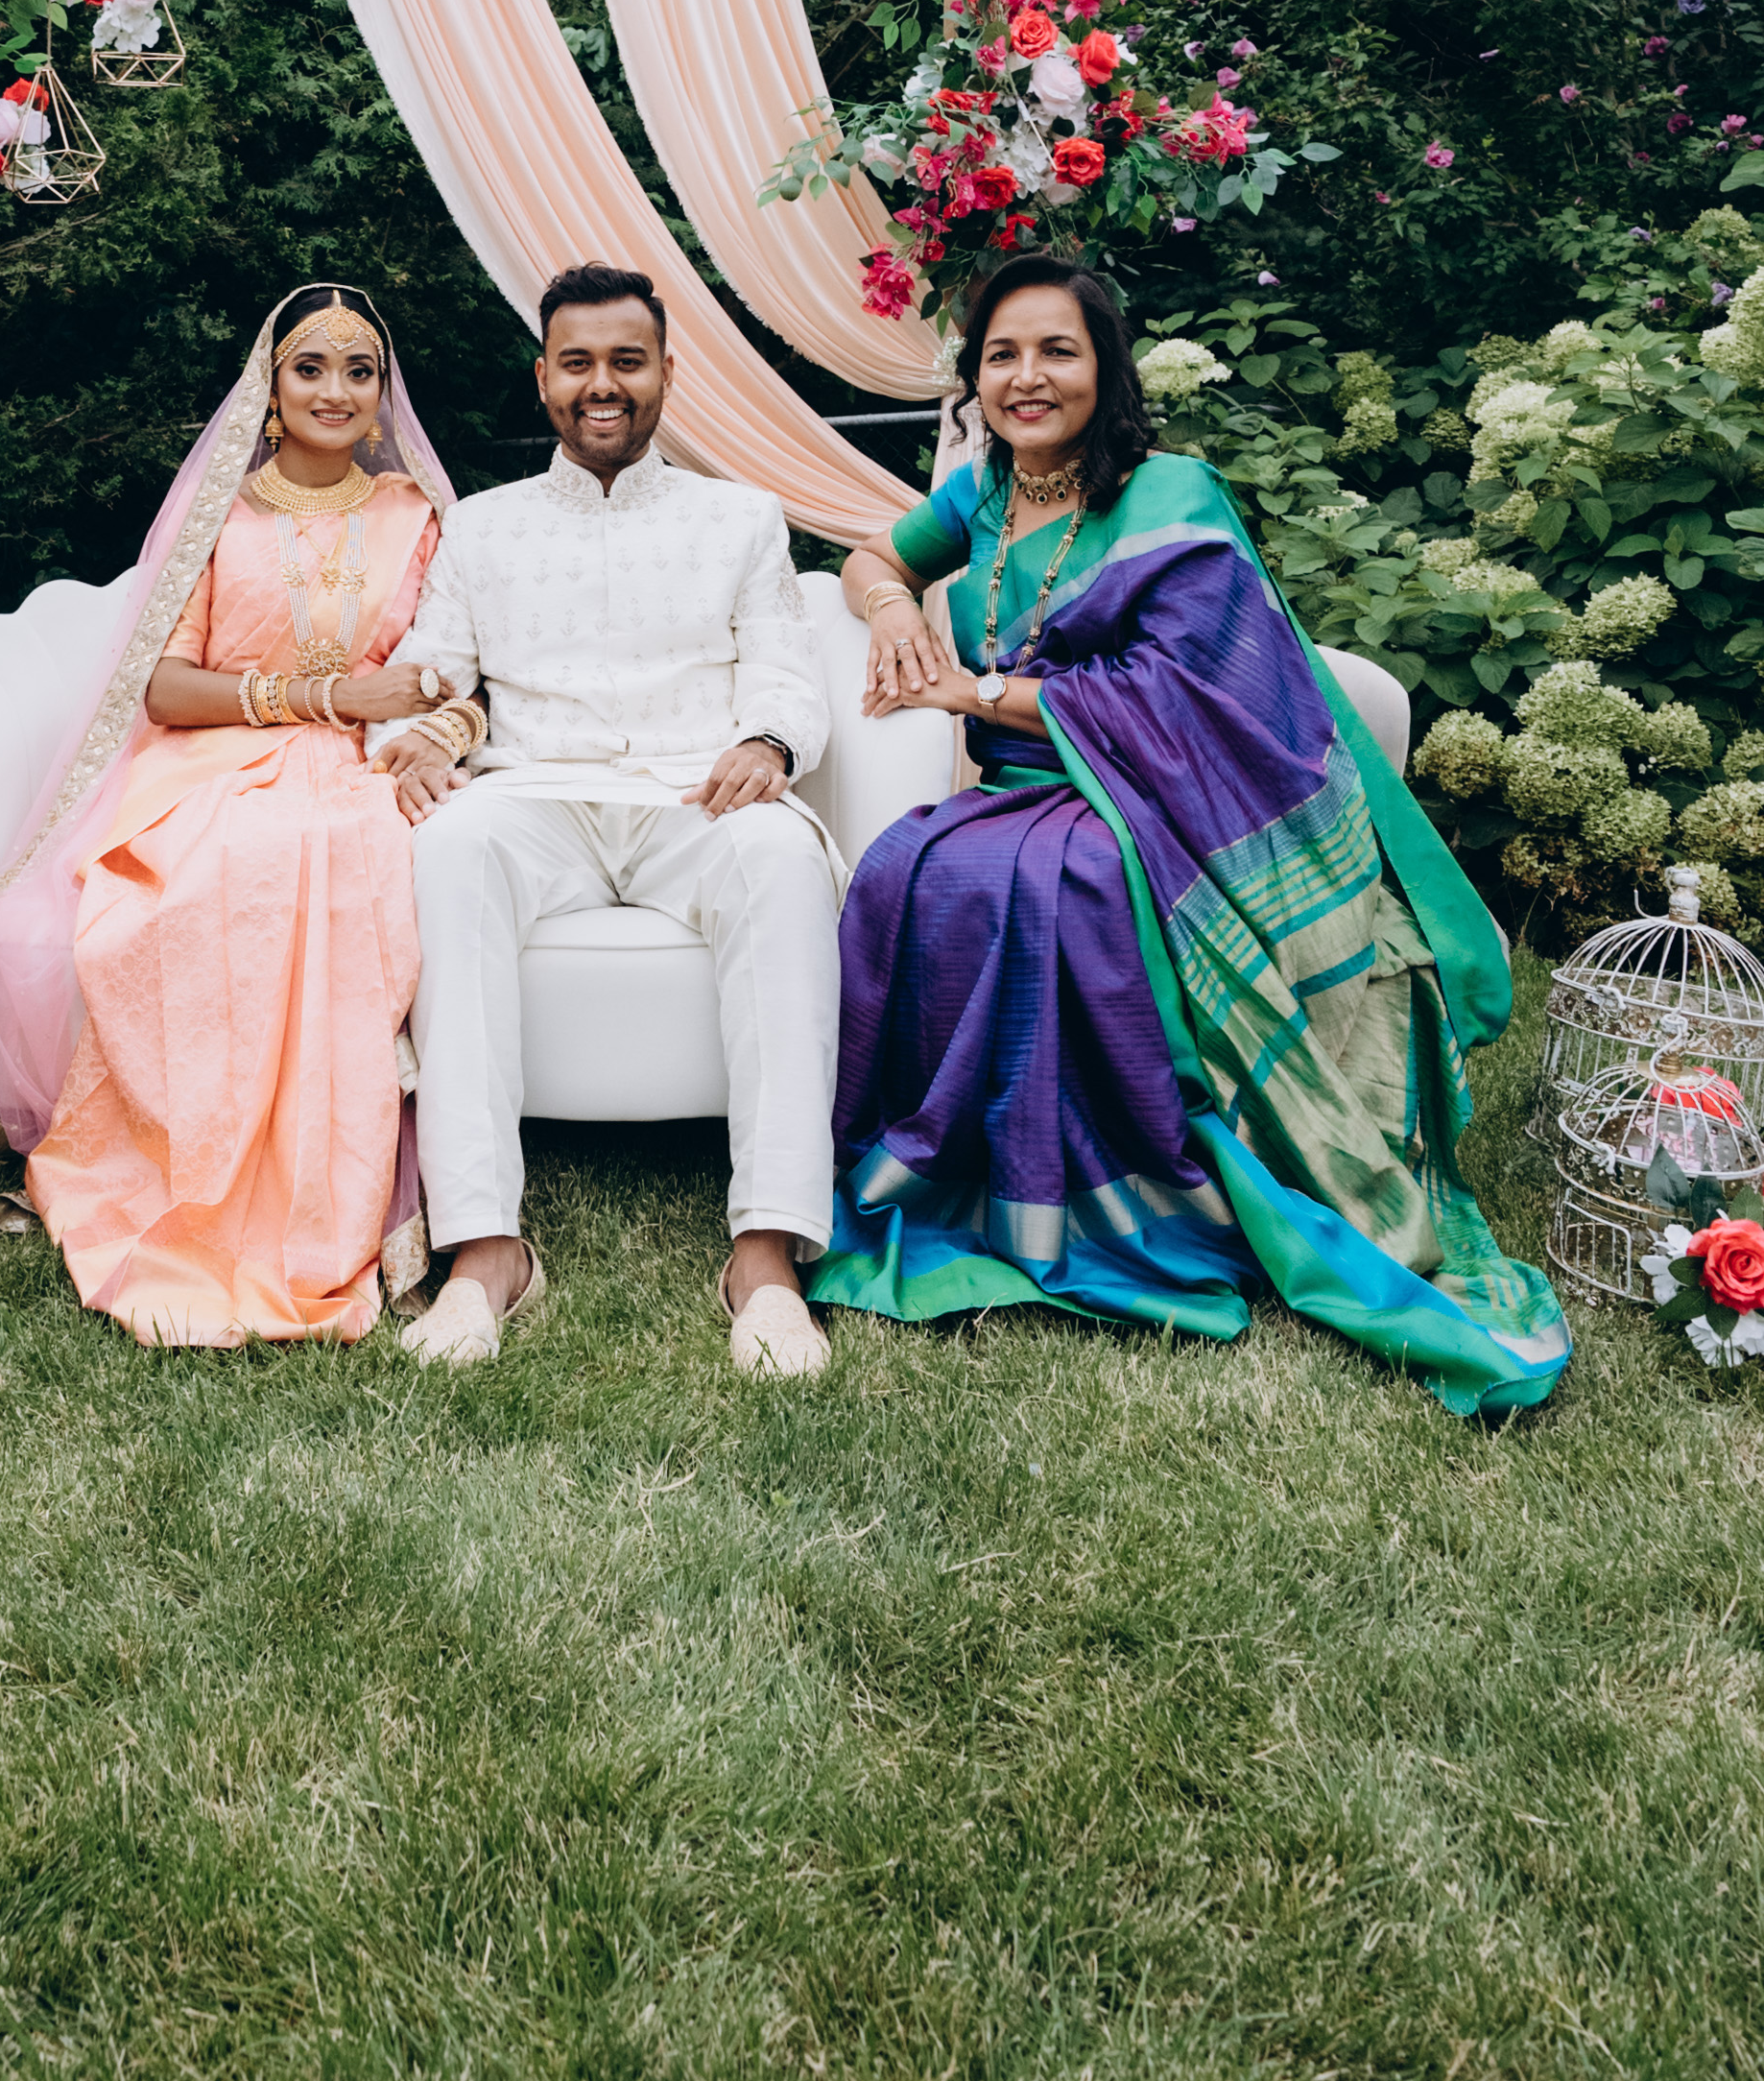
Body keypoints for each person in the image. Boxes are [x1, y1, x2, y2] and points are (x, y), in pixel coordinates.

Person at [825, 251, 1569, 1416]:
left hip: (1162, 795)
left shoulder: (1169, 493)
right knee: (905, 867)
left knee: (1069, 884)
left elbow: (1185, 694)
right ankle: (965, 1170)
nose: (1028, 376)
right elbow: (870, 555)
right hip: (1020, 788)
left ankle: (1131, 1197)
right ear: (975, 378)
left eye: (1058, 349)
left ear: (1105, 367)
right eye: (1002, 354)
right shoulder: (981, 491)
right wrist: (888, 610)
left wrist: (974, 691)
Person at [0, 285, 465, 1347]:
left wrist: (427, 727)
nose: (335, 390)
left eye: (360, 371)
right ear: (269, 391)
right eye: (310, 367)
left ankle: (323, 1200)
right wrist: (321, 696)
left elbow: (454, 670)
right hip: (214, 758)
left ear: (383, 396)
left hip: (370, 764)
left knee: (350, 848)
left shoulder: (417, 519)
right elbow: (165, 687)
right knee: (232, 855)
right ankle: (187, 1176)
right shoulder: (219, 518)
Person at [387, 262, 844, 1379]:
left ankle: (766, 1257)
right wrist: (424, 732)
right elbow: (432, 669)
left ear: (666, 373)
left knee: (783, 858)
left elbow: (786, 669)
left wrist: (768, 743)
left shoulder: (740, 516)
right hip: (533, 795)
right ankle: (485, 1252)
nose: (604, 383)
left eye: (627, 361)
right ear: (543, 377)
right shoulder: (481, 526)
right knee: (447, 845)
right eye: (579, 362)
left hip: (698, 790)